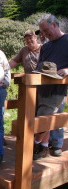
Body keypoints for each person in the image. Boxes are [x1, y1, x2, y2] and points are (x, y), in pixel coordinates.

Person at [33, 14, 68, 160]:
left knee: (44, 120)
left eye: (46, 30)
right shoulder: (45, 46)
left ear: (54, 24)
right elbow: (39, 65)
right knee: (45, 119)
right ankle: (44, 147)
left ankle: (35, 144)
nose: (45, 34)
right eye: (42, 31)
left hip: (58, 90)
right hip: (41, 89)